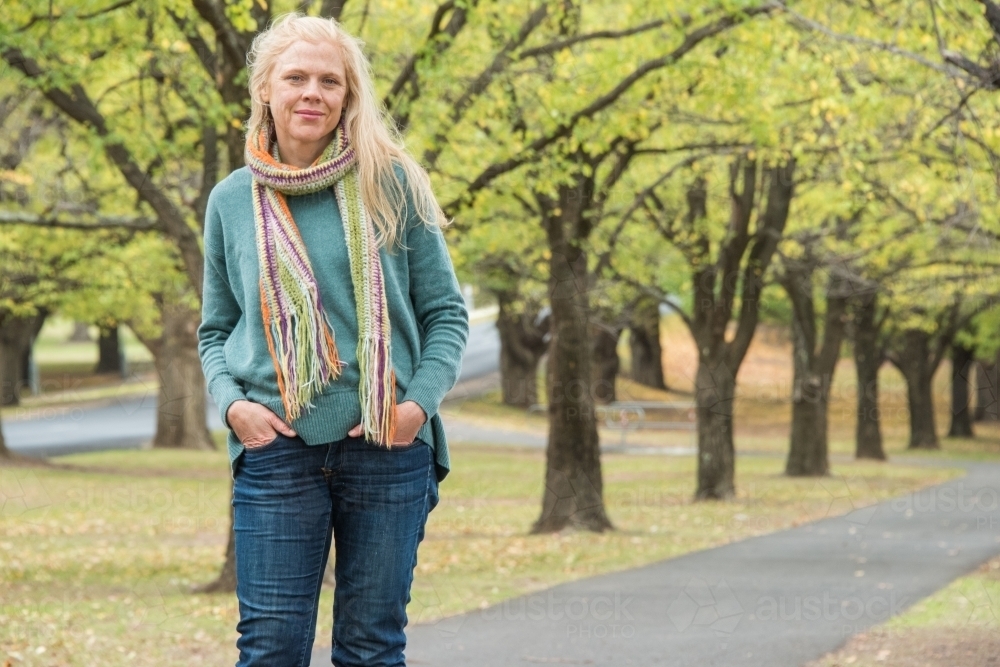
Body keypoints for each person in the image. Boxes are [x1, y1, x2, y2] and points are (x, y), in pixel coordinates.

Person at [197, 13, 469, 667]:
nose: (312, 92)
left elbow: (446, 316)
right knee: (270, 649)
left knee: (372, 648)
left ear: (349, 96)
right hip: (276, 451)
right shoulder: (233, 200)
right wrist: (232, 405)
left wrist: (414, 409)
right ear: (266, 88)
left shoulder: (393, 184)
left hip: (386, 446)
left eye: (330, 80)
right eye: (295, 77)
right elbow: (214, 329)